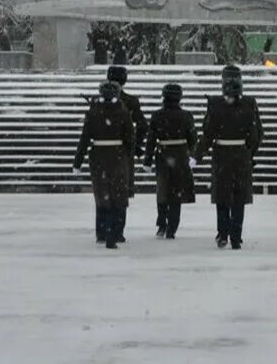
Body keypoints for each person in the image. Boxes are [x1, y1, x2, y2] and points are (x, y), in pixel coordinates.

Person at [196, 73, 262, 249]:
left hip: (222, 156)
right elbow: (256, 136)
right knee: (238, 199)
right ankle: (236, 236)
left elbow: (207, 134)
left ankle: (223, 233)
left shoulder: (216, 108)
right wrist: (249, 153)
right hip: (241, 156)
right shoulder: (248, 108)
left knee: (222, 198)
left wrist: (197, 155)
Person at [73, 81, 134, 249]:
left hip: (99, 157)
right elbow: (130, 137)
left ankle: (102, 231)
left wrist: (77, 162)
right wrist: (128, 154)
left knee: (102, 194)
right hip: (118, 156)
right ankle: (115, 232)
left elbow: (84, 138)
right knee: (118, 196)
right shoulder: (123, 112)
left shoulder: (93, 113)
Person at [144, 83, 197, 239]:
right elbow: (193, 139)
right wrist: (192, 155)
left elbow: (151, 140)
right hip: (180, 154)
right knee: (176, 192)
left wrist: (147, 158)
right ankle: (172, 227)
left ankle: (162, 223)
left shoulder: (157, 115)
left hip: (162, 153)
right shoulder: (186, 116)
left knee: (163, 189)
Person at [107, 65, 146, 241]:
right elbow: (143, 125)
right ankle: (118, 230)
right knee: (121, 193)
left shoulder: (98, 100)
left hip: (103, 153)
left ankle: (103, 229)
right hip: (123, 152)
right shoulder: (130, 101)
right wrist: (136, 146)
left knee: (103, 192)